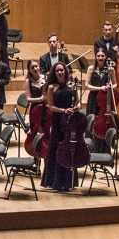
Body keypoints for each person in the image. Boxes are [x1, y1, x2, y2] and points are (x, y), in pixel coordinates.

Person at [41, 62, 79, 192]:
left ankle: (68, 182)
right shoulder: (51, 87)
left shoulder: (72, 86)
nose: (60, 72)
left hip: (69, 122)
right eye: (57, 71)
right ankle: (55, 182)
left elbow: (78, 103)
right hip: (58, 122)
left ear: (65, 71)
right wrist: (64, 110)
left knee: (68, 150)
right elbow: (50, 106)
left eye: (62, 70)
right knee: (57, 150)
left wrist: (75, 108)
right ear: (54, 73)